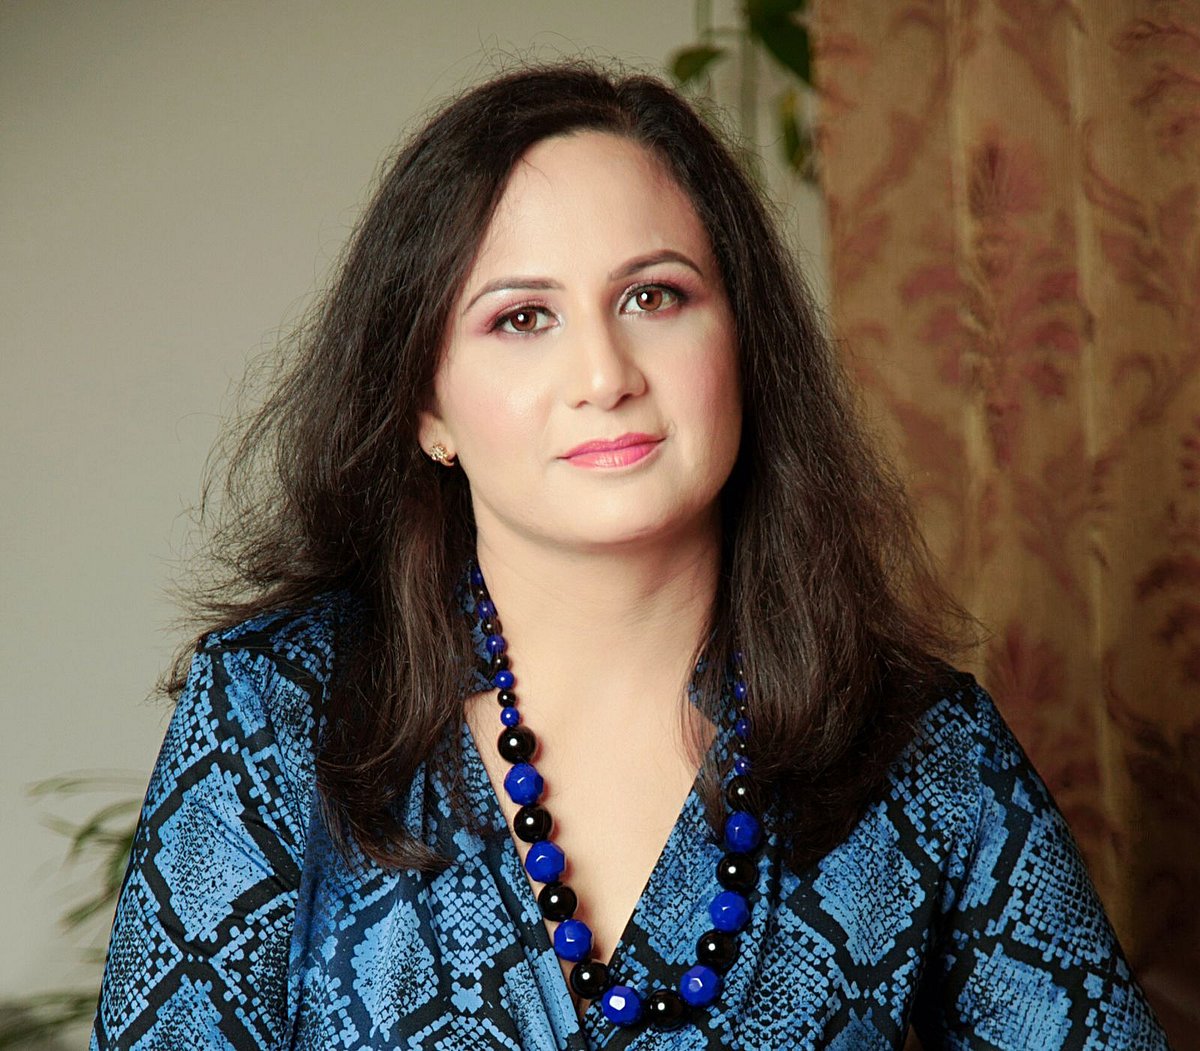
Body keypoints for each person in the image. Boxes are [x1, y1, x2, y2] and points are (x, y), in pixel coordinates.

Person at [89, 60, 1170, 1050]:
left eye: (654, 297)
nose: (605, 374)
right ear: (427, 404)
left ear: (742, 344)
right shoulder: (276, 709)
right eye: (523, 318)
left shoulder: (928, 751)